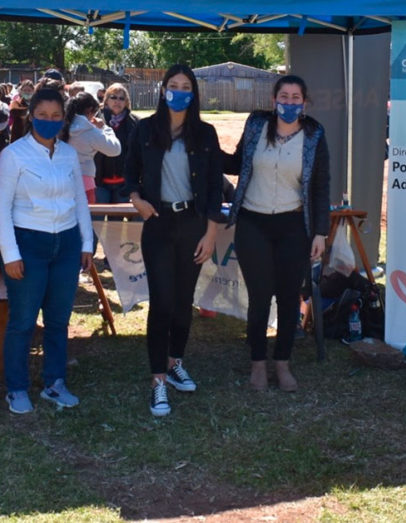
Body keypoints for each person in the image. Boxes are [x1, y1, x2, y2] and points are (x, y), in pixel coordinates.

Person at [123, 64, 225, 417]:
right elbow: (129, 171)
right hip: (158, 224)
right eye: (173, 85)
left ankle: (175, 361)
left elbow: (215, 186)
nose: (179, 91)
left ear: (194, 94)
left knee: (183, 302)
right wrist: (136, 199)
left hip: (193, 224)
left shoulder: (206, 133)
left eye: (186, 87)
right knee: (162, 302)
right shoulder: (145, 128)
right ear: (163, 89)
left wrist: (211, 232)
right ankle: (158, 381)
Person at [224, 75, 330, 392]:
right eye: (284, 96)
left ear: (304, 102)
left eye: (296, 97)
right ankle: (258, 363)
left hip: (293, 226)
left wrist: (320, 232)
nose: (289, 102)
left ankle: (282, 362)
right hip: (252, 223)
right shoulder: (256, 125)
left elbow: (321, 185)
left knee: (287, 297)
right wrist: (204, 148)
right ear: (274, 100)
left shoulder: (314, 134)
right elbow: (237, 162)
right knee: (259, 297)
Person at [0, 88, 93, 414]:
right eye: (42, 116)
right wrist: (10, 254)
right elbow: (1, 208)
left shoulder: (68, 154)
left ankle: (54, 383)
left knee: (58, 320)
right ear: (30, 116)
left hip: (66, 244)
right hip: (28, 245)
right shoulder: (13, 155)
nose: (49, 121)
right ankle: (16, 388)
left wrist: (86, 243)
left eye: (55, 116)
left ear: (63, 119)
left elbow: (80, 199)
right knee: (23, 321)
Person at [61, 92, 121, 205]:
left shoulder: (61, 127)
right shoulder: (89, 131)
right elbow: (115, 149)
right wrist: (104, 128)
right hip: (85, 182)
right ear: (89, 111)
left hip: (61, 181)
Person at [95, 83, 138, 204]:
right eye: (113, 97)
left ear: (126, 102)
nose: (117, 101)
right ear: (106, 100)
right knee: (98, 216)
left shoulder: (135, 123)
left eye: (121, 98)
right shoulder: (96, 120)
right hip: (100, 182)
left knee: (119, 217)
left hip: (124, 183)